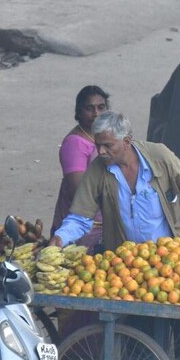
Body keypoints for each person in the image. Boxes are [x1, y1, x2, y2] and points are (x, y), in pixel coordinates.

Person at [49, 111, 180, 360]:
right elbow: (81, 217)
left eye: (107, 146)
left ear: (127, 141)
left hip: (174, 262)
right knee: (141, 336)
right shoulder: (99, 170)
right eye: (97, 145)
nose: (100, 152)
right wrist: (60, 238)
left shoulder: (160, 157)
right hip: (130, 267)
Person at [50, 85, 110, 249]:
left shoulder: (103, 136)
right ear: (79, 112)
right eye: (89, 108)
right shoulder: (75, 144)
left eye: (101, 107)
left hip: (101, 223)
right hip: (80, 228)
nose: (96, 114)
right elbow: (79, 193)